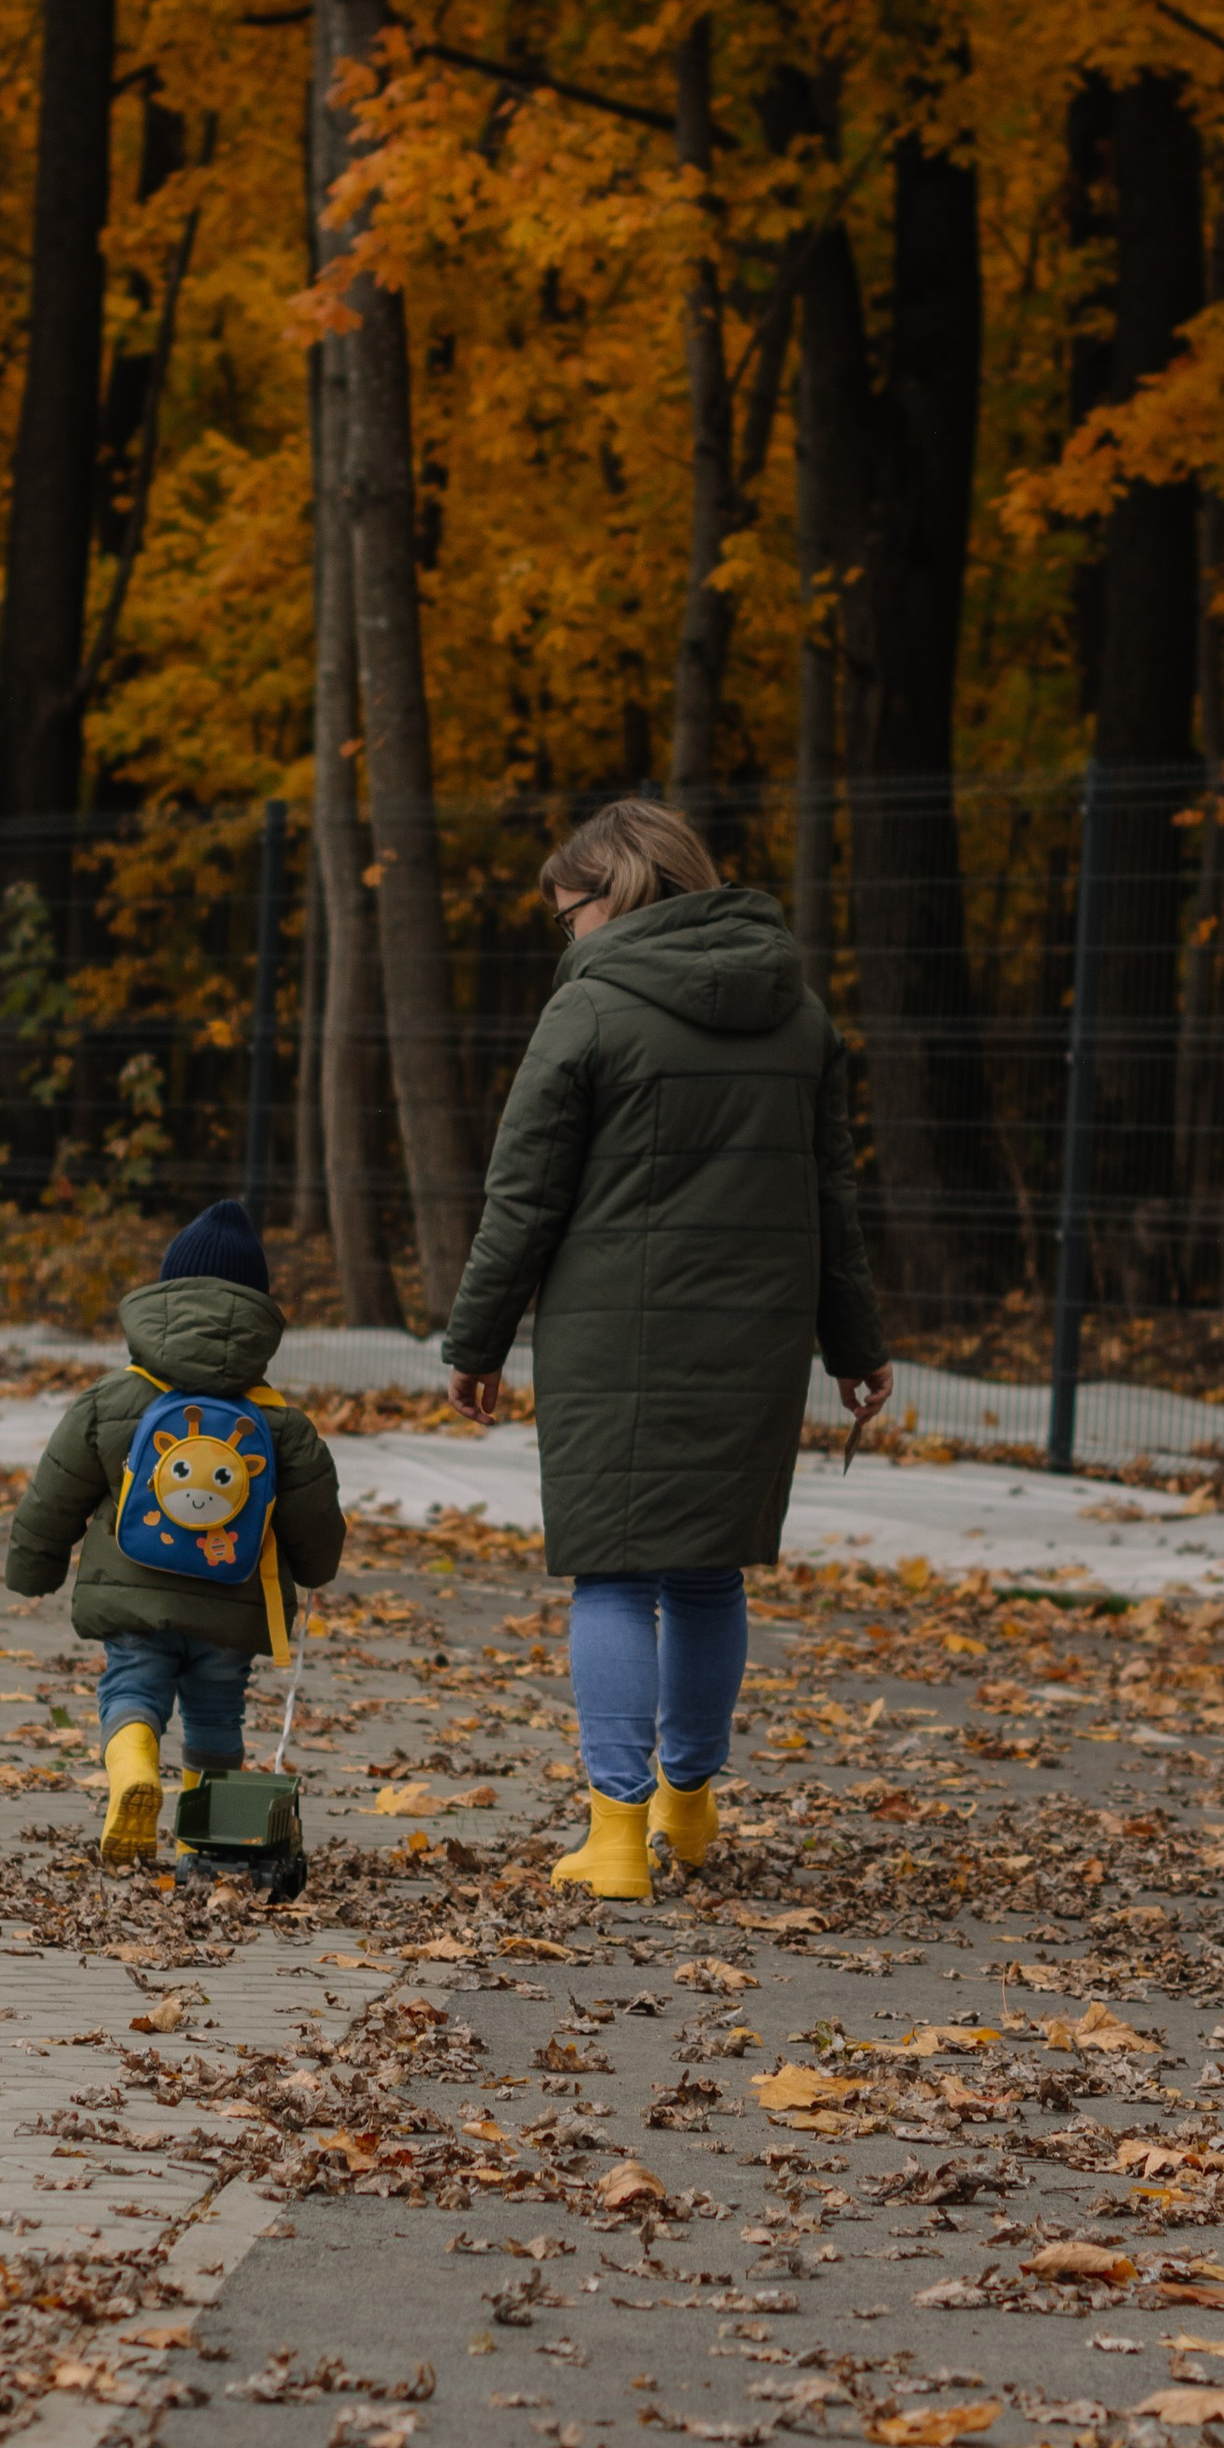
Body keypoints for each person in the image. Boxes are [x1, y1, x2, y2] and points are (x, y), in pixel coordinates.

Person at [442, 797, 892, 1900]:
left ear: (620, 891)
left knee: (612, 1574)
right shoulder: (800, 1014)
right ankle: (689, 1809)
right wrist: (856, 1344)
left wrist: (477, 1338)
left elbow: (522, 1193)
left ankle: (612, 1836)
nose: (566, 936)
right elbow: (831, 1196)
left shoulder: (590, 1011)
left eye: (568, 913)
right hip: (757, 1336)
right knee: (703, 1574)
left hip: (614, 1335)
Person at [4, 1196, 346, 1865]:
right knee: (217, 1717)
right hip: (233, 1603)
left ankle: (132, 1768)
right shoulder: (281, 1425)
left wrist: (33, 1567)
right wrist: (312, 1568)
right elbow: (316, 1526)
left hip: (132, 1596)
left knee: (132, 1688)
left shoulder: (111, 1401)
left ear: (165, 1297)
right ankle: (209, 1845)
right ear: (255, 1314)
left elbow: (52, 1495)